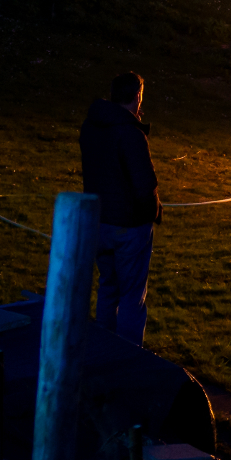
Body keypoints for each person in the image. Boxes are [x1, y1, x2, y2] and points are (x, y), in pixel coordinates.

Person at [80, 71, 162, 347]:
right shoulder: (130, 134)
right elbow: (144, 185)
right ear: (137, 97)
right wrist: (153, 211)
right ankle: (129, 356)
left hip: (99, 221)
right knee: (131, 296)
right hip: (130, 226)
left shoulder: (92, 127)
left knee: (108, 286)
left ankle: (104, 348)